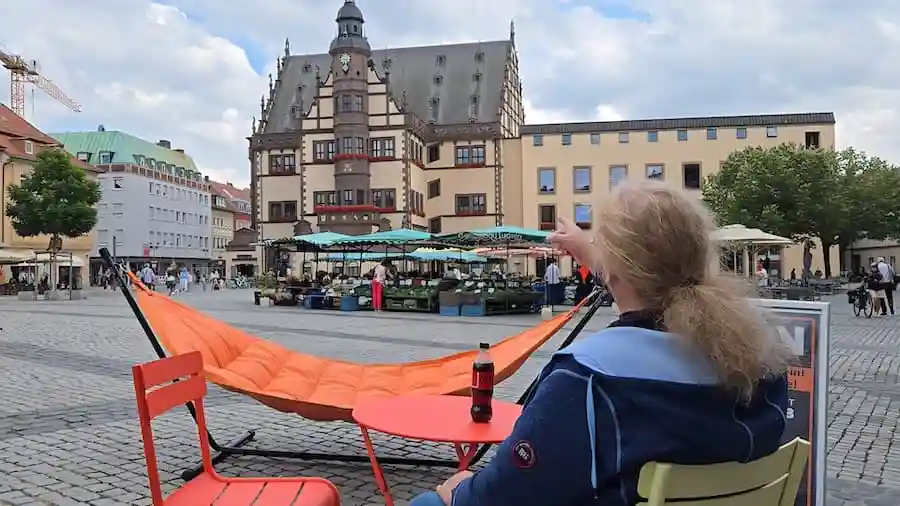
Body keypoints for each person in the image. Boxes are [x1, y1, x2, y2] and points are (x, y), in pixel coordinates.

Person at [409, 181, 792, 506]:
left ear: (613, 267)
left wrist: (457, 493)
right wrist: (593, 251)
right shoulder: (760, 356)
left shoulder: (592, 378)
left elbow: (506, 493)